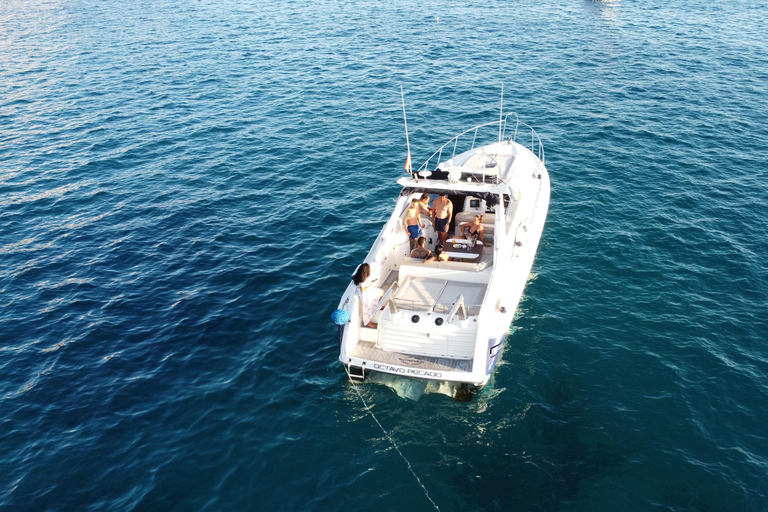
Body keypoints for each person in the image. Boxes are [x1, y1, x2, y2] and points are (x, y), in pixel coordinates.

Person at [352, 263, 382, 327]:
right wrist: (371, 283)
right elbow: (363, 289)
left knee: (380, 292)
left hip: (364, 291)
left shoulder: (358, 276)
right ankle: (368, 323)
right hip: (364, 294)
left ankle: (380, 305)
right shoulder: (363, 280)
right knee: (368, 304)